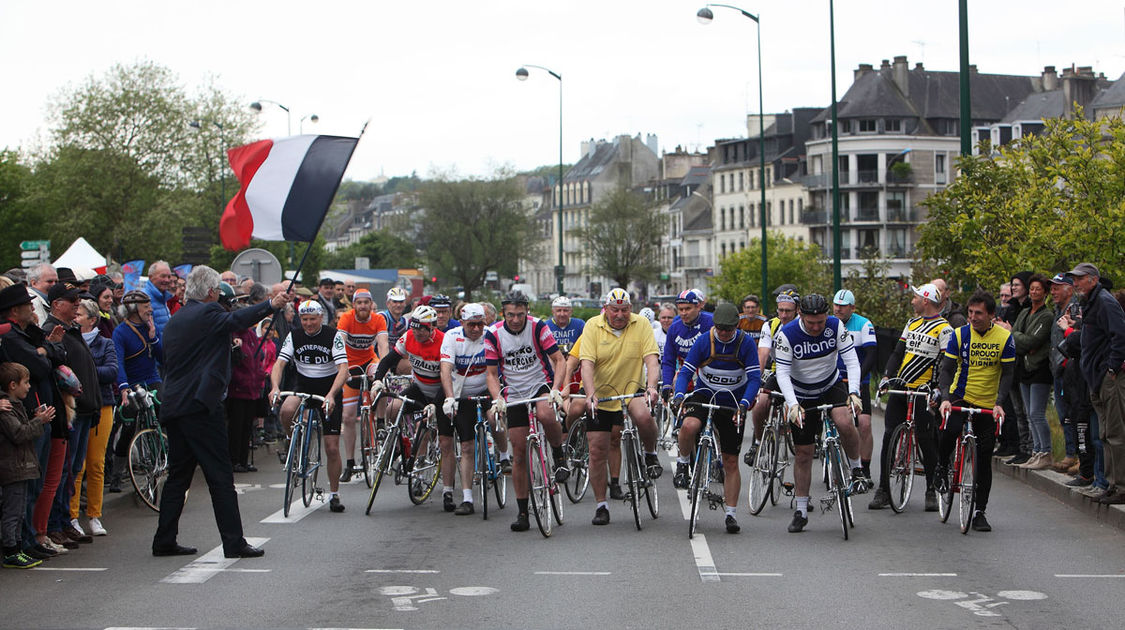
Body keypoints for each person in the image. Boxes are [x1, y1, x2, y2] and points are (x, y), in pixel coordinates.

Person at [153, 265, 287, 559]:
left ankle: (164, 539)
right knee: (220, 476)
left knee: (179, 476)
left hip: (176, 405)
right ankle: (233, 542)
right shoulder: (207, 314)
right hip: (200, 406)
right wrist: (270, 305)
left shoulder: (176, 320)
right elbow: (237, 318)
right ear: (212, 292)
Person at [774, 294, 866, 534]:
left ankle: (857, 470)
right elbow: (782, 373)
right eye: (811, 323)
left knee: (845, 421)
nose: (816, 328)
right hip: (801, 392)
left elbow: (852, 361)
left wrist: (854, 392)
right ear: (800, 316)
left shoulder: (836, 326)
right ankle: (801, 510)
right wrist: (792, 404)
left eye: (821, 322)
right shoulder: (787, 334)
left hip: (830, 385)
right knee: (804, 453)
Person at [670, 303, 760, 533]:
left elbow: (754, 379)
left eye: (728, 330)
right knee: (689, 425)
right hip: (705, 393)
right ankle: (683, 464)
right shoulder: (704, 340)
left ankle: (730, 514)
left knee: (731, 461)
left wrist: (744, 404)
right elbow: (687, 371)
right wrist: (679, 394)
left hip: (732, 401)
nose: (723, 333)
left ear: (736, 327)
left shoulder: (745, 343)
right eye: (719, 329)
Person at [482, 293, 569, 531]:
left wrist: (555, 389)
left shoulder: (538, 326)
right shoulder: (493, 334)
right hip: (513, 391)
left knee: (546, 413)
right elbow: (491, 374)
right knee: (519, 452)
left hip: (539, 384)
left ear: (526, 312)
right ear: (503, 314)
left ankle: (559, 455)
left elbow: (559, 360)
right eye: (511, 315)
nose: (516, 320)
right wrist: (497, 398)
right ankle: (522, 512)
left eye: (520, 314)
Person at [578, 288, 662, 526]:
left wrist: (652, 387)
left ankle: (650, 454)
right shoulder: (593, 326)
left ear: (630, 310)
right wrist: (591, 394)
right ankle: (601, 505)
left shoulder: (642, 324)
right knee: (596, 451)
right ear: (605, 309)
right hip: (602, 394)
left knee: (644, 416)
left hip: (631, 389)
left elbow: (651, 360)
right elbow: (586, 365)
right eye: (614, 310)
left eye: (624, 310)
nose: (619, 315)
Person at [868, 283, 952, 512]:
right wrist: (887, 377)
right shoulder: (911, 323)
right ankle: (884, 489)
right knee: (888, 436)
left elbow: (946, 363)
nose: (912, 300)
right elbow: (898, 353)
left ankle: (931, 490)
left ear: (925, 300)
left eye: (915, 297)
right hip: (902, 388)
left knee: (926, 438)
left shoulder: (944, 329)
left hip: (924, 390)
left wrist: (938, 390)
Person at [937, 291, 1014, 532]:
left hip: (988, 403)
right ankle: (941, 467)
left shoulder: (1004, 338)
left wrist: (1000, 402)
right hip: (962, 395)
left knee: (984, 457)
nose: (972, 317)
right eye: (970, 312)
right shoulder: (960, 334)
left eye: (978, 313)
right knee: (948, 431)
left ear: (992, 314)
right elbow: (947, 369)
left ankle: (980, 511)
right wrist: (946, 398)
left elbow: (1009, 373)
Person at [0, 284, 65, 560]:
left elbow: (57, 353)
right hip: (25, 416)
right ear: (15, 310)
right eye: (28, 304)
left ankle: (28, 538)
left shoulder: (26, 333)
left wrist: (45, 348)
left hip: (37, 414)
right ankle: (21, 542)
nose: (33, 307)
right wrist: (44, 352)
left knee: (33, 483)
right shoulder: (11, 337)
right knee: (24, 485)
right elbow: (40, 366)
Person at [269, 300, 349, 512]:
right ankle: (291, 441)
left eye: (312, 319)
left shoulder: (334, 336)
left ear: (320, 318)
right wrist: (275, 387)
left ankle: (334, 493)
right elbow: (279, 364)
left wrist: (332, 395)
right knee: (286, 410)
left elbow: (343, 369)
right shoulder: (294, 335)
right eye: (304, 319)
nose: (308, 323)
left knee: (331, 447)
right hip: (303, 384)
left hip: (328, 388)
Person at [42, 282, 103, 550]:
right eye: (71, 300)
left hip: (85, 409)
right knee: (64, 471)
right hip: (68, 411)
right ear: (57, 304)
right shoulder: (52, 332)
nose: (76, 304)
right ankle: (55, 524)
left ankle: (65, 520)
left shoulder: (71, 330)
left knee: (73, 470)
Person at [1063, 263, 1125, 504]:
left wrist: (1111, 368)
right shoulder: (1091, 302)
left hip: (1108, 378)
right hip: (1096, 378)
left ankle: (1120, 486)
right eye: (1074, 279)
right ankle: (1111, 484)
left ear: (1093, 279)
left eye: (1080, 278)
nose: (1075, 283)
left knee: (1115, 433)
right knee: (1105, 433)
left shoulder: (1106, 302)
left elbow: (1120, 335)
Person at [439, 303, 509, 515]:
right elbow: (445, 369)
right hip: (462, 394)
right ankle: (468, 498)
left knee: (495, 417)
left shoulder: (491, 335)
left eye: (480, 324)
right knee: (467, 447)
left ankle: (504, 455)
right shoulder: (451, 336)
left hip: (486, 389)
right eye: (472, 325)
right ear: (462, 323)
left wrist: (498, 398)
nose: (477, 329)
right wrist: (450, 398)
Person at [67, 300, 116, 537]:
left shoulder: (104, 343)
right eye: (74, 314)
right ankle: (72, 515)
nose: (75, 317)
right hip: (75, 406)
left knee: (96, 463)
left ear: (92, 319)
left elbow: (112, 371)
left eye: (80, 314)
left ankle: (94, 516)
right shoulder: (69, 339)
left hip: (102, 404)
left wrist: (85, 370)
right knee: (77, 465)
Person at [996, 273, 1055, 470]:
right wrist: (1017, 337)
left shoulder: (1046, 316)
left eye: (1038, 289)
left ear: (1045, 292)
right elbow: (1014, 339)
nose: (1034, 292)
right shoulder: (1025, 312)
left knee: (1036, 413)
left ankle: (1045, 451)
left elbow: (1032, 341)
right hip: (1023, 369)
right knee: (1027, 414)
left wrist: (1016, 335)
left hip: (1038, 370)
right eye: (1032, 289)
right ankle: (1035, 450)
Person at [0, 362, 55, 568]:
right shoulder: (5, 408)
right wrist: (38, 421)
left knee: (20, 510)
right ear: (12, 385)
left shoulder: (15, 405)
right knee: (12, 512)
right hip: (12, 467)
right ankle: (11, 552)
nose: (29, 386)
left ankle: (19, 547)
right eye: (26, 382)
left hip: (20, 467)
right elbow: (18, 433)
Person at [109, 290, 163, 493]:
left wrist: (154, 338)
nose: (150, 310)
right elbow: (118, 362)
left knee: (163, 411)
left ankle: (161, 457)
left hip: (152, 379)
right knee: (128, 425)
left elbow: (163, 357)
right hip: (131, 382)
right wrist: (123, 387)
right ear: (133, 309)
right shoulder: (120, 332)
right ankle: (117, 474)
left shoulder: (152, 327)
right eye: (145, 306)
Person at [335, 289, 386, 482]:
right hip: (350, 364)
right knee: (347, 417)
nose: (363, 306)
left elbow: (383, 346)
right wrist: (342, 368)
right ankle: (349, 463)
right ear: (354, 305)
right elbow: (340, 343)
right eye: (359, 303)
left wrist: (383, 367)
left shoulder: (378, 319)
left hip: (369, 360)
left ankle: (380, 421)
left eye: (366, 302)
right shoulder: (347, 318)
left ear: (371, 304)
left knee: (381, 380)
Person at [746, 290, 800, 465]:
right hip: (778, 371)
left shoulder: (804, 324)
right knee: (761, 404)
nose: (783, 315)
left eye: (788, 311)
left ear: (797, 310)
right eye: (780, 310)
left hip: (801, 374)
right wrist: (755, 383)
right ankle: (758, 442)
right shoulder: (770, 325)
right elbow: (762, 355)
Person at [832, 289, 878, 479]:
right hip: (835, 381)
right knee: (840, 423)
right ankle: (837, 462)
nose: (838, 309)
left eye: (843, 307)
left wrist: (857, 380)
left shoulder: (864, 324)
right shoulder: (829, 324)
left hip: (858, 380)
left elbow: (871, 355)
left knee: (864, 425)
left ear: (852, 308)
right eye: (836, 305)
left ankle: (864, 469)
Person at [226, 287, 271, 473]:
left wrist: (260, 376)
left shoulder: (251, 335)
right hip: (237, 389)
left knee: (247, 427)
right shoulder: (232, 336)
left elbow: (257, 358)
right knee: (235, 427)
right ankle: (233, 460)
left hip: (252, 389)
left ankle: (244, 460)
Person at [1048, 274, 1081, 474]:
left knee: (1075, 414)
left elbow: (1077, 339)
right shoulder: (1057, 310)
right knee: (1063, 415)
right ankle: (1070, 453)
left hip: (1071, 369)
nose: (1052, 292)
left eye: (1057, 288)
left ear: (1069, 288)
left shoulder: (1075, 309)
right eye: (1051, 288)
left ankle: (1078, 455)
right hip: (1057, 369)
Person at [377, 287, 410, 373]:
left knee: (410, 367)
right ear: (388, 303)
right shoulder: (381, 317)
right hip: (377, 357)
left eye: (401, 302)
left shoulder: (405, 322)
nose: (398, 305)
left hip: (395, 359)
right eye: (395, 302)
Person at [143, 261, 176, 337]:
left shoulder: (162, 297)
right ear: (151, 277)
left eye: (169, 277)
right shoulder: (145, 298)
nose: (167, 280)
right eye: (163, 276)